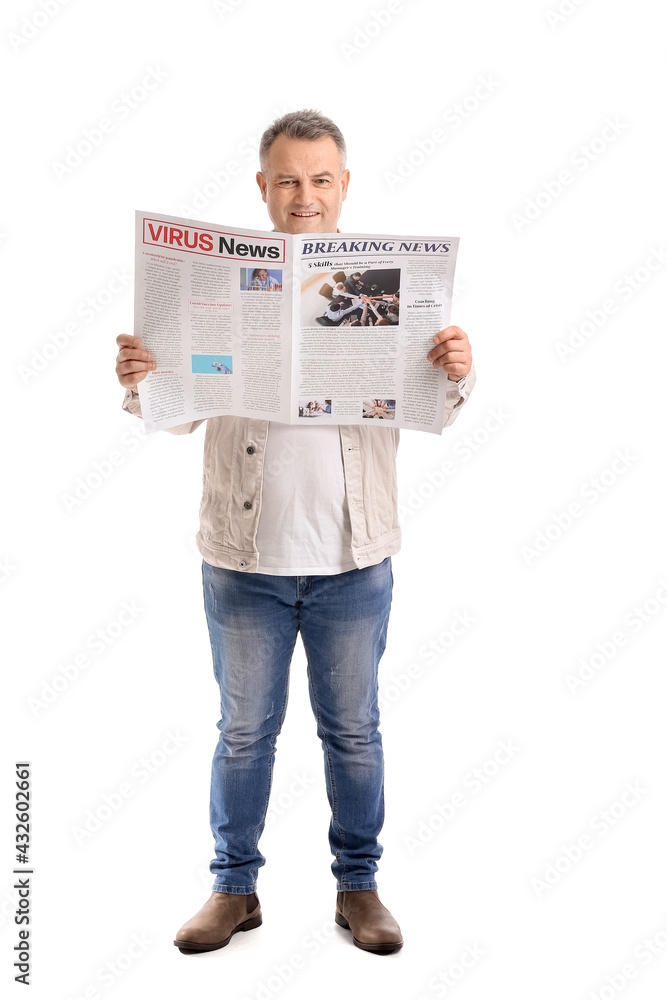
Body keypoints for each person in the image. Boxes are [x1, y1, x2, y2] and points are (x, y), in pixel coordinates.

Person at [115, 108, 476, 957]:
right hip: (242, 564)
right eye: (287, 179)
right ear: (263, 188)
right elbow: (171, 419)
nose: (303, 194)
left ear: (343, 186)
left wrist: (456, 371)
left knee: (353, 731)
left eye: (320, 179)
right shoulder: (210, 283)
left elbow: (435, 407)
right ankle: (232, 888)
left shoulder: (387, 284)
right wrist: (142, 380)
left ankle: (359, 887)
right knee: (243, 731)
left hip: (354, 560)